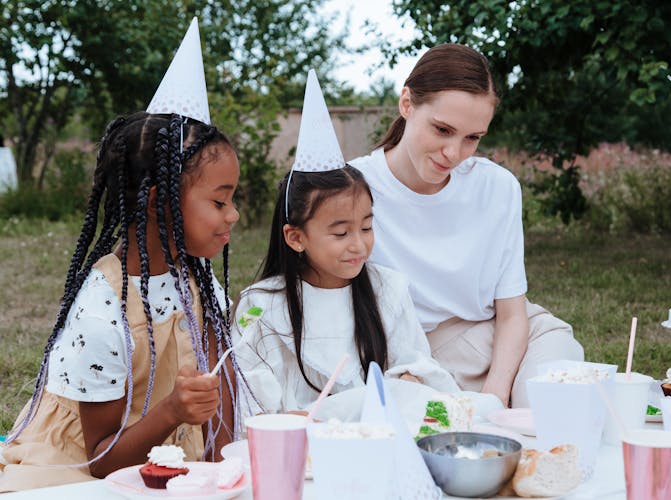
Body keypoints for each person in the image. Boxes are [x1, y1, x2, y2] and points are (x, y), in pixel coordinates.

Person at [0, 19, 249, 491]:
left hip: (171, 465)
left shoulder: (202, 284)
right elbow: (100, 461)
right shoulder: (102, 312)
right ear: (159, 202)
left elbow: (225, 396)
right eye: (220, 201)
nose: (233, 215)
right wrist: (172, 411)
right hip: (83, 466)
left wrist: (222, 476)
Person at [349, 43, 583, 409]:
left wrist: (495, 397)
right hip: (413, 360)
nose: (454, 154)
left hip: (510, 347)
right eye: (442, 130)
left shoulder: (497, 187)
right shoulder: (352, 188)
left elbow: (511, 314)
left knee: (557, 408)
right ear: (407, 103)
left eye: (472, 138)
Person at [232, 70, 458, 415]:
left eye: (366, 227)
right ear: (296, 237)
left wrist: (409, 379)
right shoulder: (261, 306)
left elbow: (414, 361)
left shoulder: (387, 290)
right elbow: (248, 397)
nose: (358, 245)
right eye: (340, 233)